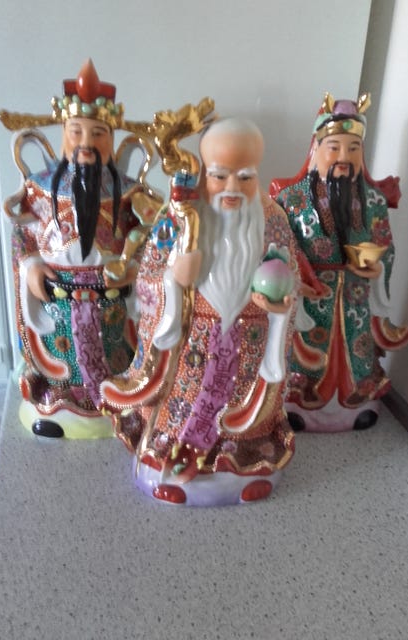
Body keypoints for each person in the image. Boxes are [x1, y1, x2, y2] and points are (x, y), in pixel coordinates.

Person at [101, 118, 300, 505]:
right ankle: (171, 465)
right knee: (181, 415)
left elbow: (288, 277)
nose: (232, 189)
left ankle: (242, 470)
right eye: (219, 176)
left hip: (250, 346)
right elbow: (147, 277)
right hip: (189, 349)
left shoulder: (273, 218)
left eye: (245, 177)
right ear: (204, 170)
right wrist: (174, 279)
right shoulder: (180, 216)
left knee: (241, 423)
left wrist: (279, 306)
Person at [0, 60, 159, 438]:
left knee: (115, 357)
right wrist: (31, 265)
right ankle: (62, 407)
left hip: (112, 300)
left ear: (112, 140)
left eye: (98, 133)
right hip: (57, 296)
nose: (86, 143)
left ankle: (117, 406)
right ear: (63, 136)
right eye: (76, 132)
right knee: (62, 362)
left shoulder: (130, 192)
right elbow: (23, 234)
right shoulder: (40, 189)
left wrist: (135, 266)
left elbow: (151, 237)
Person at [271, 93, 408, 432]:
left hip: (355, 294)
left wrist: (377, 268)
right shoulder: (291, 199)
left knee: (356, 350)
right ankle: (298, 405)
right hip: (310, 293)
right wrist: (293, 278)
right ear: (316, 149)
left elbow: (385, 245)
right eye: (334, 147)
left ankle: (357, 404)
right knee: (307, 351)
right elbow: (276, 247)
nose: (344, 157)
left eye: (353, 148)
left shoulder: (373, 199)